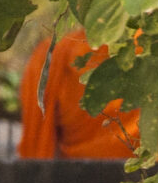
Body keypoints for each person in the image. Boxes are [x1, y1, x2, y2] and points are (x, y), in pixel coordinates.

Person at [17, 29, 139, 161]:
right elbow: (36, 152)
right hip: (151, 175)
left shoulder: (52, 55)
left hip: (78, 177)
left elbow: (36, 158)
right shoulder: (54, 55)